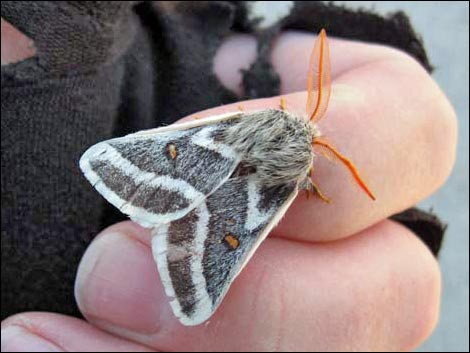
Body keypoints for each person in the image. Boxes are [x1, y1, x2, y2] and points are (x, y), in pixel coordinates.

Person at [1, 2, 457, 351]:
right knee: (212, 272)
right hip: (242, 201)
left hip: (196, 154)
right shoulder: (287, 176)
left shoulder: (264, 132)